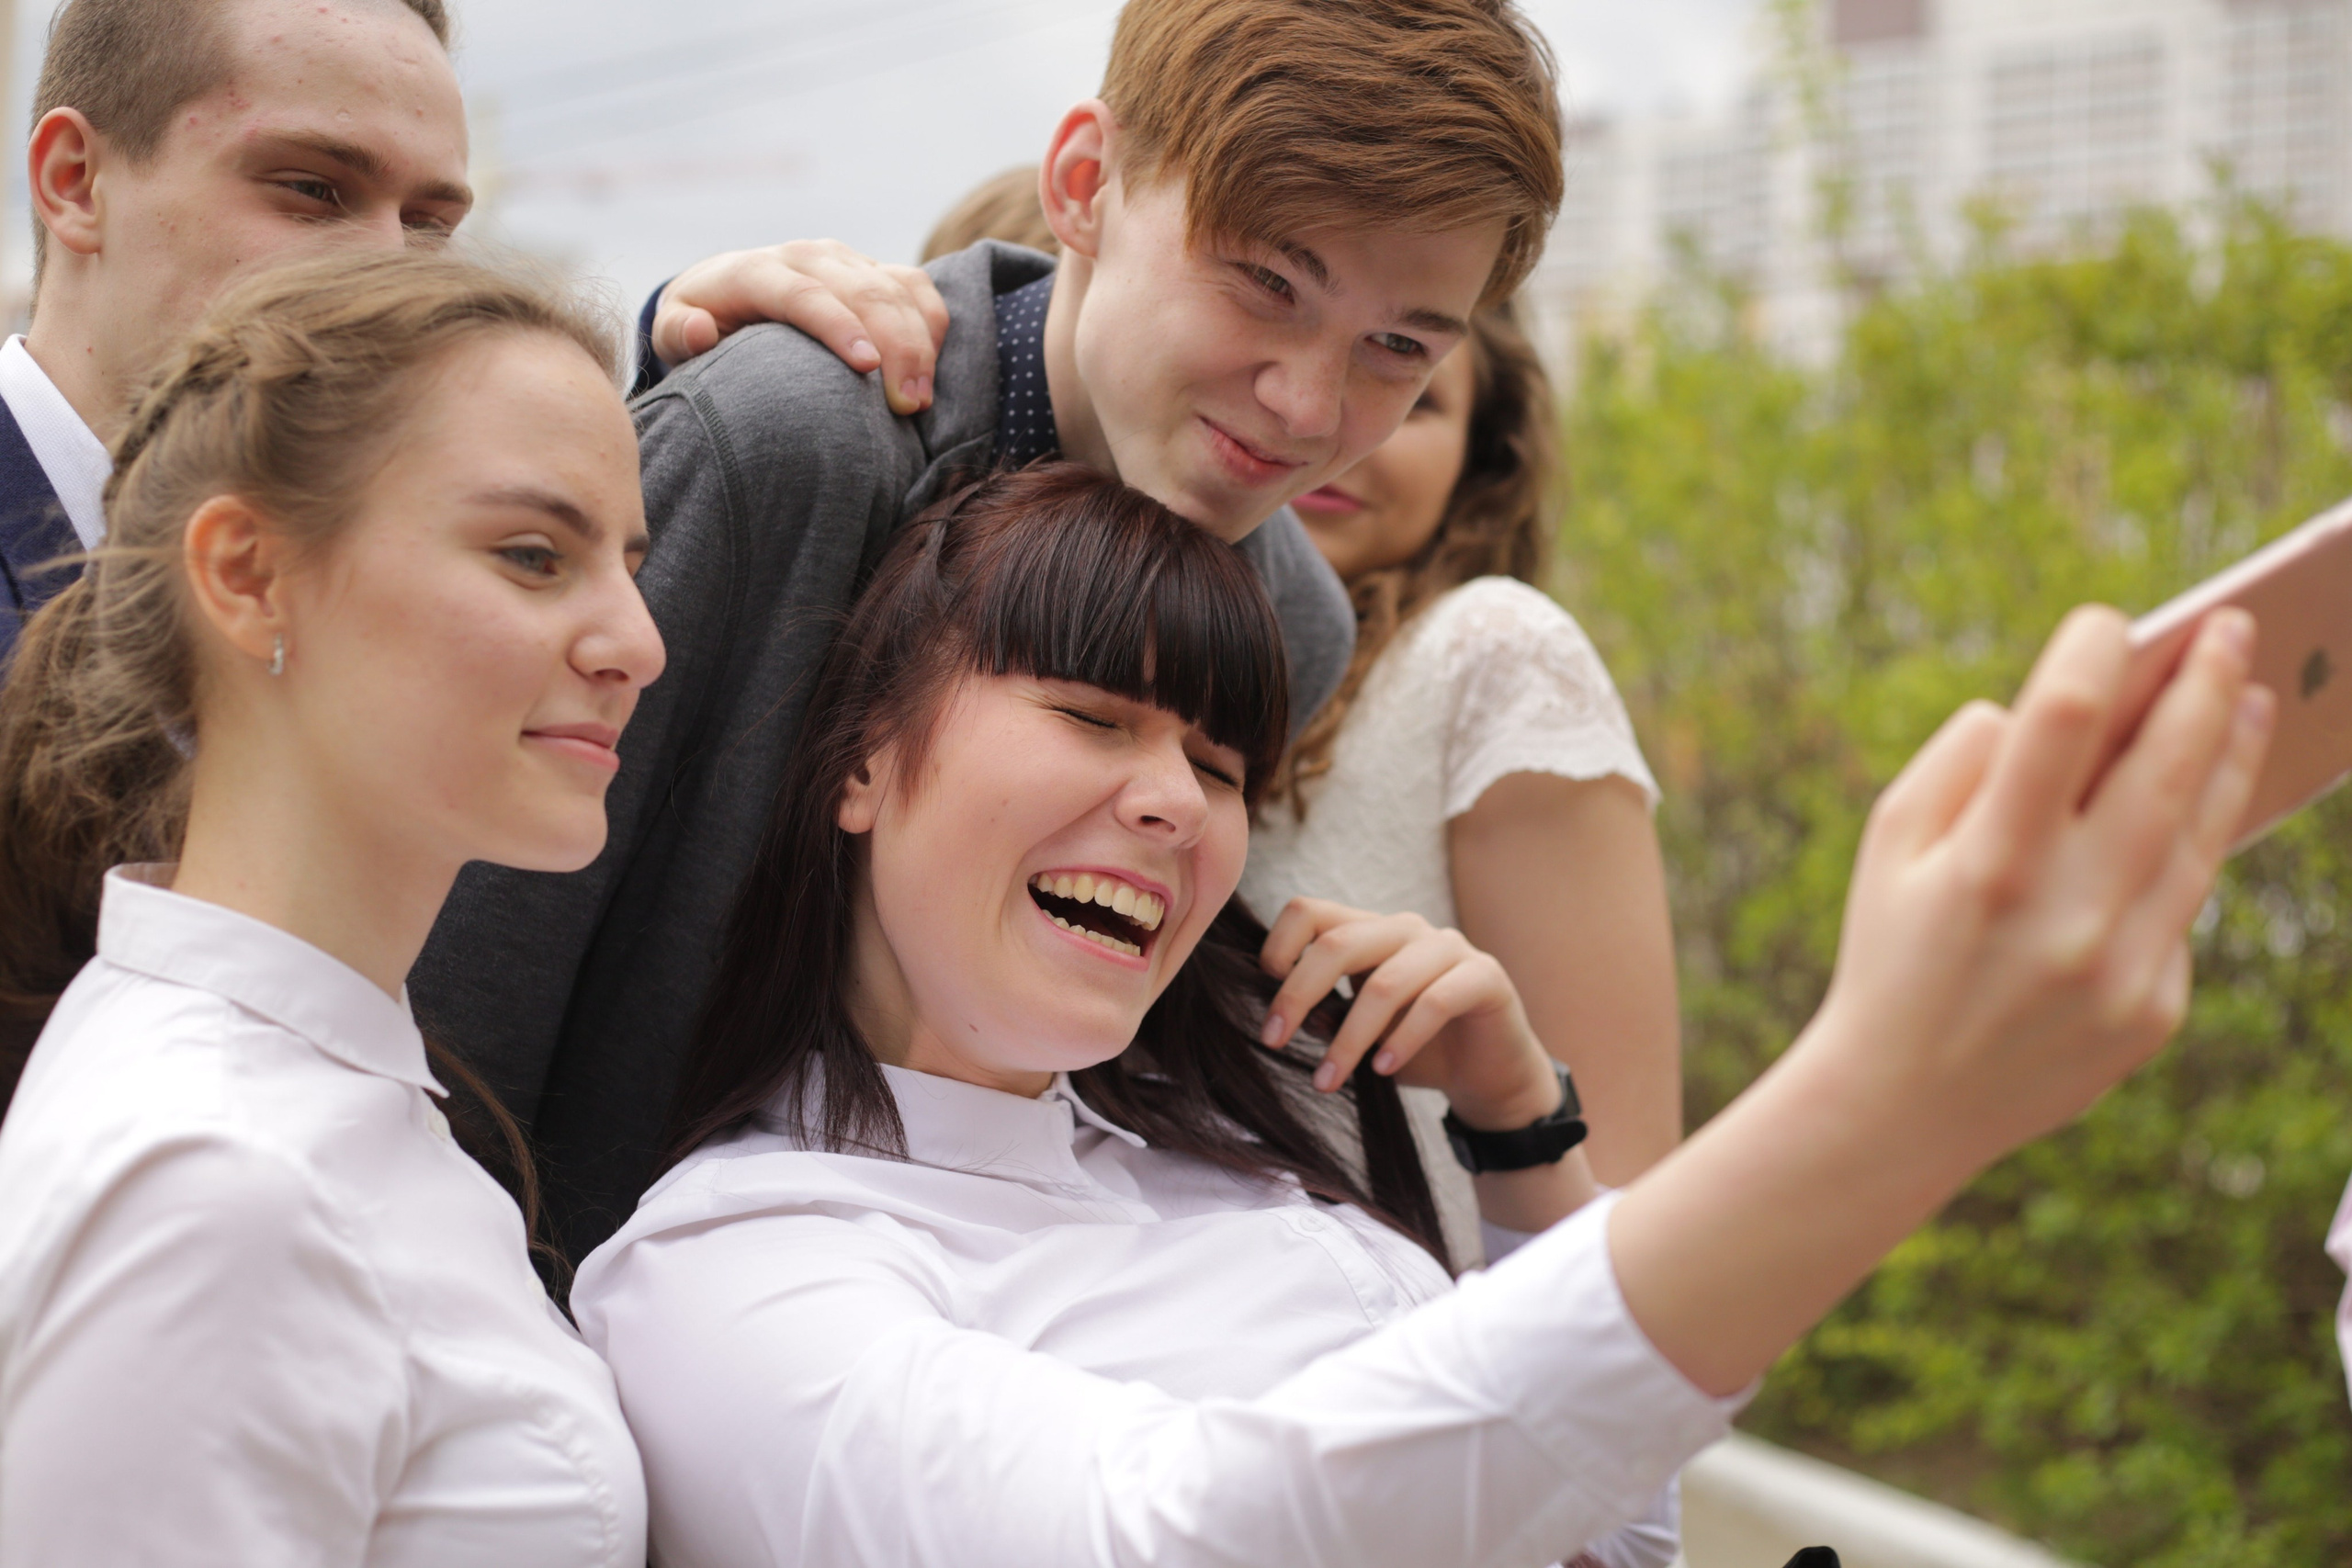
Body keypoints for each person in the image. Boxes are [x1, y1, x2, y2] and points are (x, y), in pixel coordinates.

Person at [569, 461, 2274, 1568]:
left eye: (1221, 762)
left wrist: (1526, 1140)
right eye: (1094, 715)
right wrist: (1890, 1105)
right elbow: (1187, 1535)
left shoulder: (1255, 1176)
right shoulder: (726, 1268)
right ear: (862, 761)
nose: (1176, 803)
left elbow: (1606, 1531)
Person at [413, 0, 1573, 1268]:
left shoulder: (1288, 618)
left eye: (1397, 348)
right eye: (1265, 282)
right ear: (1085, 184)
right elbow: (459, 977)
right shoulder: (789, 443)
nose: (1306, 400)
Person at [0, 251, 662, 1563]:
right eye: (534, 554)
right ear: (247, 573)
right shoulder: (218, 1181)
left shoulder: (315, 1088)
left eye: (629, 562)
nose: (635, 639)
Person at [914, 165, 1676, 1255]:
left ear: (1480, 456)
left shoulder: (1496, 656)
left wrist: (1512, 1114)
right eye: (1259, 305)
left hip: (1422, 1316)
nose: (1304, 410)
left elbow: (1639, 1207)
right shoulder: (1084, 652)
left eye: (1407, 372)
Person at [0, 0, 948, 669]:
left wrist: (693, 386)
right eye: (312, 189)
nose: (388, 267)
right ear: (76, 180)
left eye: (427, 225)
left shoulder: (363, 588)